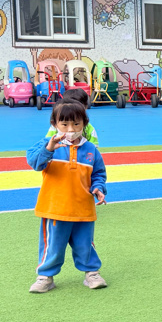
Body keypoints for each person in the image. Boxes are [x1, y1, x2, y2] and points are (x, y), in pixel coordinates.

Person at [27, 101, 108, 293]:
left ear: (84, 123)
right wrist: (49, 148)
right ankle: (45, 276)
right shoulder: (47, 145)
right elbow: (35, 163)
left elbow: (99, 174)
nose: (71, 129)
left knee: (85, 244)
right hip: (55, 208)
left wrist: (98, 188)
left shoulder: (91, 150)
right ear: (54, 124)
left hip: (83, 208)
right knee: (53, 246)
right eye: (64, 124)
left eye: (76, 124)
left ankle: (92, 273)